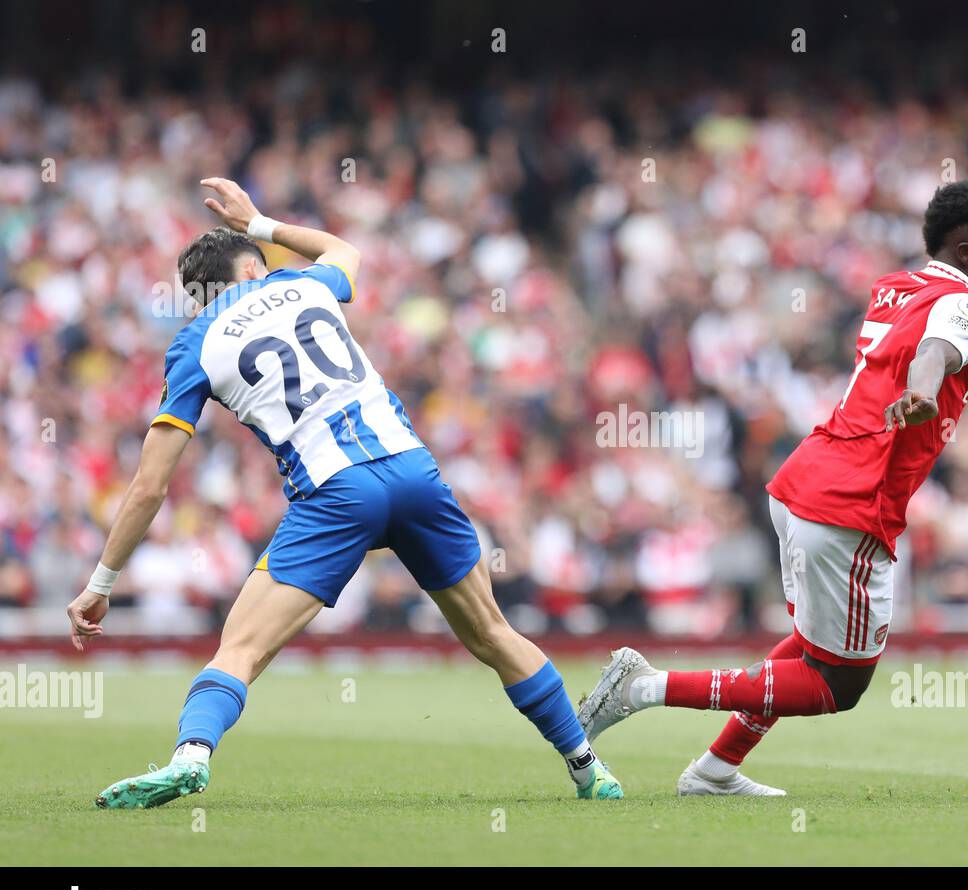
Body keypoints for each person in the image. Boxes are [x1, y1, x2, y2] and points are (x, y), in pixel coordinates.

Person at [67, 178, 623, 806]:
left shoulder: (194, 344)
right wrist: (260, 222)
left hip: (335, 493)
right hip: (412, 470)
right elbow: (344, 250)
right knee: (493, 632)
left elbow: (149, 486)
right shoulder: (300, 283)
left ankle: (191, 756)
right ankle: (588, 768)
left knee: (241, 647)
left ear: (199, 298)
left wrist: (102, 584)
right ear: (255, 266)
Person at [577, 180, 968, 796]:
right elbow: (938, 345)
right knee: (837, 685)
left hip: (808, 480)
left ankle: (714, 770)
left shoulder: (900, 287)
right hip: (853, 501)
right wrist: (925, 391)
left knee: (809, 645)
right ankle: (645, 687)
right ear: (965, 252)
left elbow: (952, 313)